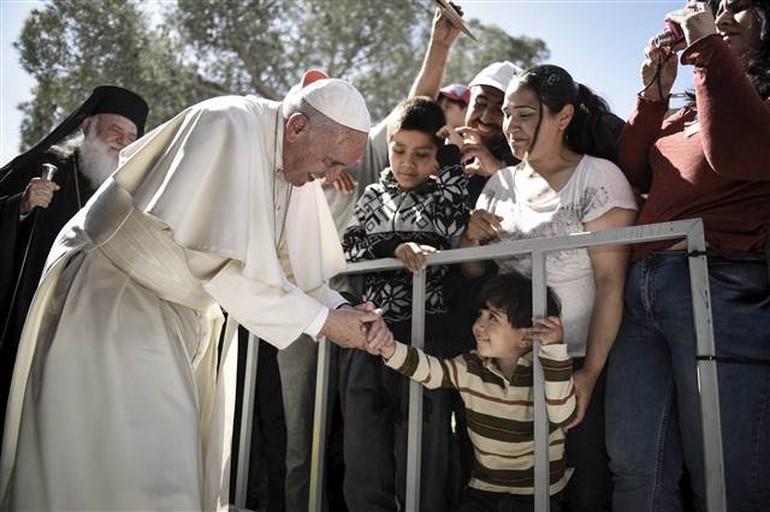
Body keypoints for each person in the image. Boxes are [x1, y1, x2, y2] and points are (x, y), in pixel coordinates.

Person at [0, 73, 386, 511]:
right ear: (298, 127)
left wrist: (349, 312)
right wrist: (325, 323)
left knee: (166, 467)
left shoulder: (296, 164)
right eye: (332, 162)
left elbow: (295, 271)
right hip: (116, 300)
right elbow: (219, 265)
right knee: (121, 473)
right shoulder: (228, 124)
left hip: (173, 316)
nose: (329, 177)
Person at [605, 2, 770, 511]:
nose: (722, 14)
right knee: (635, 463)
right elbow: (631, 170)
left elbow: (738, 151)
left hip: (718, 285)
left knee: (725, 474)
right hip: (641, 291)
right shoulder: (690, 101)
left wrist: (706, 49)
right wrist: (653, 95)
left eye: (739, 6)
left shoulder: (752, 96)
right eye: (714, 5)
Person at [459, 64, 637, 512]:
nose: (510, 126)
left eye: (523, 114)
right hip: (505, 373)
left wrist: (589, 375)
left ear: (562, 117)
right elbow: (475, 275)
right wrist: (470, 242)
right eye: (506, 114)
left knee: (582, 491)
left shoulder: (598, 179)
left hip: (574, 366)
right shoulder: (497, 186)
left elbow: (612, 285)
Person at [0, 85, 148, 452]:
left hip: (80, 325)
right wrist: (21, 205)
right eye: (115, 131)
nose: (121, 142)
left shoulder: (122, 191)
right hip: (25, 314)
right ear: (87, 127)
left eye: (131, 137)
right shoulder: (46, 165)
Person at [341, 96, 469, 511]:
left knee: (423, 443)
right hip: (371, 332)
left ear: (437, 154)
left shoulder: (444, 191)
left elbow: (452, 225)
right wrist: (396, 246)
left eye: (423, 154)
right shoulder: (374, 194)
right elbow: (352, 247)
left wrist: (450, 158)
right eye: (399, 150)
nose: (408, 163)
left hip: (425, 337)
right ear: (390, 142)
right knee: (364, 439)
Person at [367, 273, 575, 512]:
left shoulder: (545, 369)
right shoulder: (471, 366)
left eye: (493, 318)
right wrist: (389, 348)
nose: (478, 325)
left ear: (526, 337)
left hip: (538, 495)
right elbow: (432, 371)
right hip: (484, 490)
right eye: (480, 314)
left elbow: (561, 415)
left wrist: (555, 350)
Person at [408, 5, 522, 206]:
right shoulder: (447, 145)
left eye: (501, 109)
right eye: (480, 103)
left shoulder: (525, 161)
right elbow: (414, 115)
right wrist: (439, 45)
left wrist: (499, 171)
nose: (486, 117)